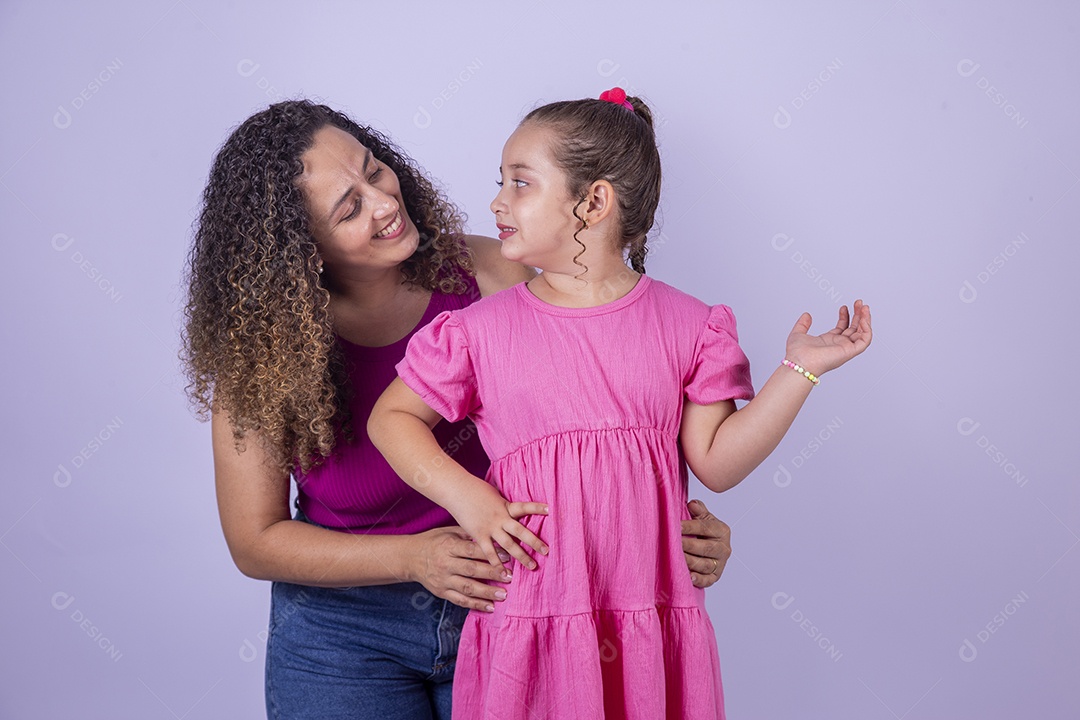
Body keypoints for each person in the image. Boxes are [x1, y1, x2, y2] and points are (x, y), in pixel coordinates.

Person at [181, 99, 737, 720]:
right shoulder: (260, 357)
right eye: (350, 207)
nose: (386, 203)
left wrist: (669, 526)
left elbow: (614, 402)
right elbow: (254, 541)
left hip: (515, 599)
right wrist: (414, 558)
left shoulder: (500, 272)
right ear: (296, 249)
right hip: (343, 631)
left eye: (375, 171)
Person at [368, 88, 873, 719]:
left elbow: (717, 463)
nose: (497, 201)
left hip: (649, 617)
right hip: (531, 612)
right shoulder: (479, 331)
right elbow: (391, 419)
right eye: (500, 182)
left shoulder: (691, 325)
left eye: (521, 184)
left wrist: (800, 370)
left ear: (593, 202)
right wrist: (467, 497)